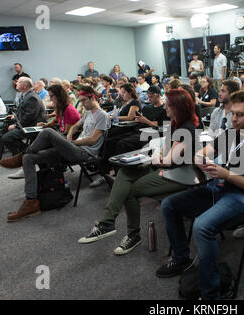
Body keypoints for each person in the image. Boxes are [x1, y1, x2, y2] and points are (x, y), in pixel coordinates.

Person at [155, 90, 244, 300]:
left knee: (202, 226)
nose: (234, 119)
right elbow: (201, 154)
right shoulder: (230, 134)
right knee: (169, 204)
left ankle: (211, 295)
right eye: (232, 114)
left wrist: (227, 174)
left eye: (240, 115)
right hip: (219, 187)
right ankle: (181, 257)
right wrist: (202, 161)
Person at [78, 89, 199, 256]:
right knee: (124, 172)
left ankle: (132, 234)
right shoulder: (175, 123)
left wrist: (155, 154)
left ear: (179, 107)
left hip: (178, 174)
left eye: (168, 104)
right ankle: (107, 222)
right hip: (165, 166)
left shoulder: (186, 128)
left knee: (130, 191)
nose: (165, 106)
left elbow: (167, 160)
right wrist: (155, 154)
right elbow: (164, 152)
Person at [5, 86, 109, 222]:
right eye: (81, 101)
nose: (82, 104)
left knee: (48, 132)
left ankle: (22, 154)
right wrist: (70, 135)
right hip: (74, 148)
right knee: (28, 158)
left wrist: (72, 143)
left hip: (85, 153)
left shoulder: (102, 115)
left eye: (84, 100)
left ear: (92, 98)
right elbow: (76, 125)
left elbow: (93, 140)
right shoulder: (89, 113)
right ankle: (31, 202)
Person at [90, 85, 168, 188]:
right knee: (110, 140)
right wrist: (138, 120)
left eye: (151, 97)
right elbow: (140, 121)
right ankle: (106, 171)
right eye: (148, 97)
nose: (149, 99)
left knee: (122, 144)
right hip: (140, 130)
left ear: (158, 96)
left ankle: (121, 175)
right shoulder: (148, 108)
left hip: (153, 134)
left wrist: (146, 121)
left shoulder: (164, 110)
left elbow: (162, 129)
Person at [0, 77, 46, 163]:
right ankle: (25, 152)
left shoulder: (32, 97)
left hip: (32, 126)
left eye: (18, 82)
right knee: (2, 132)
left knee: (6, 138)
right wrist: (14, 116)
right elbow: (24, 111)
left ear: (24, 86)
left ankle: (23, 153)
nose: (16, 83)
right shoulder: (25, 95)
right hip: (25, 124)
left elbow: (30, 116)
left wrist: (16, 125)